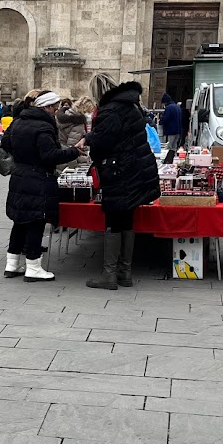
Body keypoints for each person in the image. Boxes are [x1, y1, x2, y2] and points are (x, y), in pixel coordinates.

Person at [85, 81, 162, 290]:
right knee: (126, 218)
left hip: (119, 171)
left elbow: (103, 143)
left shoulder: (109, 110)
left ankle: (109, 275)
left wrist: (92, 143)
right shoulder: (131, 106)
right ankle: (124, 272)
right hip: (135, 169)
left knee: (113, 219)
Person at [1, 90, 82, 282]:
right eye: (54, 108)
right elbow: (49, 156)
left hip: (19, 175)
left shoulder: (19, 121)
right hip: (38, 179)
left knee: (20, 221)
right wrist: (74, 152)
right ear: (46, 107)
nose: (55, 112)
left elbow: (5, 142)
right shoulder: (43, 127)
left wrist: (23, 157)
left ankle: (12, 264)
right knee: (37, 220)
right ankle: (33, 267)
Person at [161, 93, 183, 163]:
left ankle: (167, 162)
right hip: (178, 131)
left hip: (171, 131)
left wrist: (161, 120)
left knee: (169, 147)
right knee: (174, 147)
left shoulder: (169, 108)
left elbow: (165, 119)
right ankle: (171, 161)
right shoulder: (177, 107)